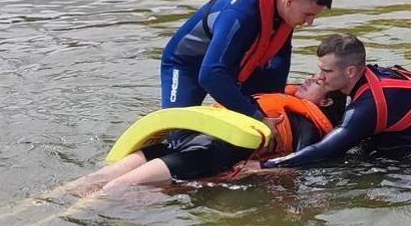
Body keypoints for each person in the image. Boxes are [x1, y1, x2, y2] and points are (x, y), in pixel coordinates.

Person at [76, 74, 347, 191]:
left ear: (325, 102)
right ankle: (54, 206)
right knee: (101, 178)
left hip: (209, 148)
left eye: (318, 81)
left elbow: (298, 166)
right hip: (191, 136)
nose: (309, 79)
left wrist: (256, 170)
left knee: (116, 186)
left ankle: (56, 218)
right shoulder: (281, 96)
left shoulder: (309, 125)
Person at [258, 34, 411, 168]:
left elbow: (324, 151)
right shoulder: (372, 74)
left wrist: (266, 165)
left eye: (327, 71)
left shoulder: (367, 106)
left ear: (350, 71)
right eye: (320, 69)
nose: (319, 77)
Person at [158, 0, 333, 121]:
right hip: (188, 64)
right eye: (308, 14)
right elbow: (210, 75)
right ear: (290, 2)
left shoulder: (286, 15)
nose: (310, 22)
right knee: (178, 131)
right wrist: (256, 116)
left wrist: (276, 110)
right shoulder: (241, 12)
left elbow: (278, 69)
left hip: (235, 65)